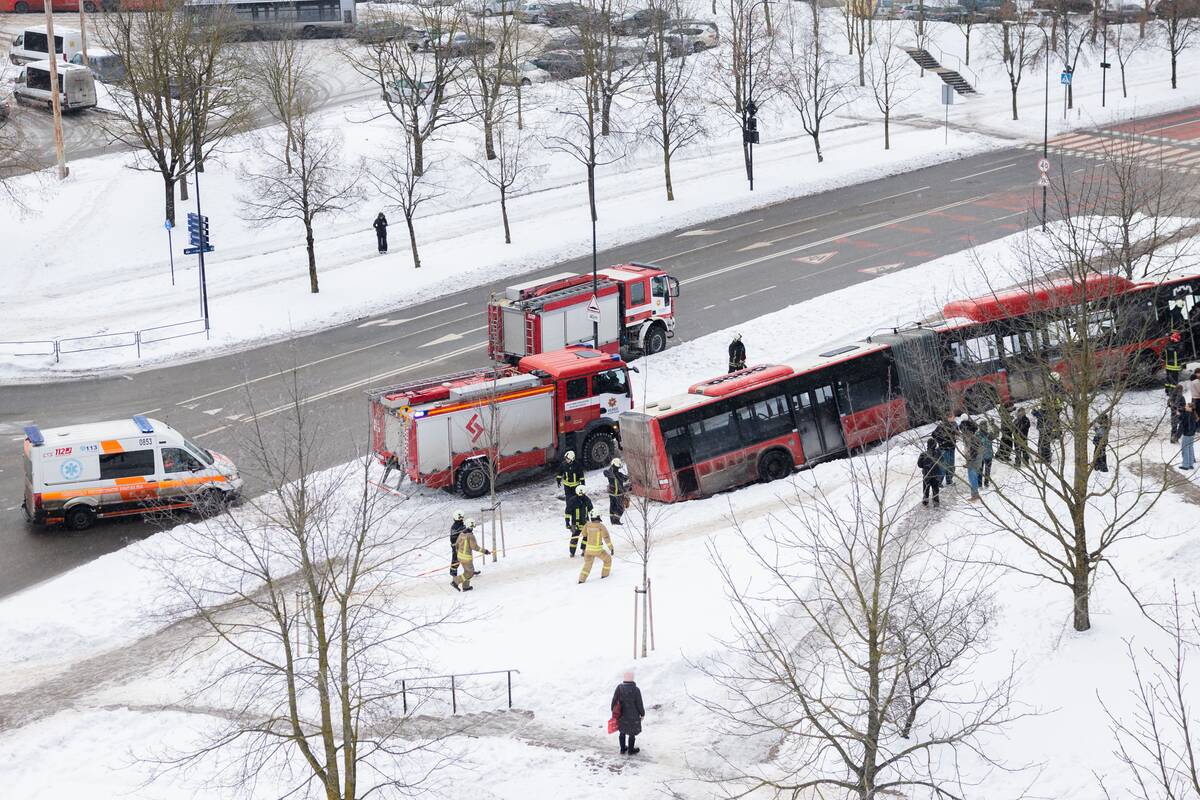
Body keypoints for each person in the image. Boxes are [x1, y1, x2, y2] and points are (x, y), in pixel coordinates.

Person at [611, 671, 645, 756]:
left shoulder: (619, 688)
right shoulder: (636, 690)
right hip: (633, 716)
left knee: (622, 731)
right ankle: (630, 750)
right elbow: (639, 704)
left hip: (621, 714)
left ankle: (622, 749)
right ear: (632, 678)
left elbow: (614, 700)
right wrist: (642, 713)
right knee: (632, 733)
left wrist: (613, 710)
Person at [452, 519, 490, 592]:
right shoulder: (470, 536)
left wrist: (458, 553)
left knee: (467, 571)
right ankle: (456, 581)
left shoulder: (461, 534)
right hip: (467, 558)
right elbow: (475, 547)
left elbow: (456, 544)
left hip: (460, 556)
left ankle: (466, 586)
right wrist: (485, 551)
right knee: (470, 573)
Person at [578, 510, 614, 584]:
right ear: (598, 517)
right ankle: (605, 576)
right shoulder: (601, 526)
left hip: (588, 550)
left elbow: (584, 534)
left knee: (587, 564)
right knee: (608, 560)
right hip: (598, 550)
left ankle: (581, 580)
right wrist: (611, 548)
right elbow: (606, 537)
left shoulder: (587, 525)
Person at [565, 485, 594, 557]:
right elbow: (568, 512)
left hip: (585, 524)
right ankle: (572, 552)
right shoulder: (572, 500)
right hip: (576, 524)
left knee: (586, 537)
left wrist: (594, 520)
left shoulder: (587, 499)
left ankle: (584, 550)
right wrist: (567, 523)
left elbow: (591, 511)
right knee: (574, 538)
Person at [931, 417, 957, 486]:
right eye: (952, 416)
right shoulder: (941, 426)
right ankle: (939, 481)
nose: (954, 417)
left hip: (952, 447)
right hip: (944, 449)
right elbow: (933, 434)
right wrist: (941, 441)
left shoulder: (954, 424)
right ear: (947, 418)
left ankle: (949, 480)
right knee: (944, 465)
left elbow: (957, 432)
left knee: (951, 465)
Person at [603, 458, 629, 525]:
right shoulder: (613, 473)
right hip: (617, 493)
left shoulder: (617, 474)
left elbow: (625, 478)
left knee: (613, 507)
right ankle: (615, 521)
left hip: (613, 493)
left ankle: (613, 521)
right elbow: (605, 472)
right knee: (620, 507)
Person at [962, 419, 983, 501]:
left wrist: (968, 464)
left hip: (974, 462)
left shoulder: (973, 440)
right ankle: (975, 494)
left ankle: (974, 496)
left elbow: (974, 454)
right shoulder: (973, 438)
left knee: (972, 478)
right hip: (975, 462)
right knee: (974, 477)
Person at [918, 438, 941, 507]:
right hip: (935, 475)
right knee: (935, 488)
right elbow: (941, 462)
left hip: (926, 475)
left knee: (926, 489)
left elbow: (919, 464)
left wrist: (925, 466)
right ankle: (936, 502)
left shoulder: (923, 454)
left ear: (927, 445)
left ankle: (925, 502)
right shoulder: (938, 454)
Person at [449, 510, 465, 586]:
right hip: (457, 547)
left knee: (466, 558)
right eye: (462, 517)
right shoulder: (457, 527)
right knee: (455, 561)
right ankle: (453, 575)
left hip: (460, 545)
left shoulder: (459, 525)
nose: (463, 518)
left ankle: (470, 570)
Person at [978, 418, 995, 487]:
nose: (984, 427)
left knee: (987, 470)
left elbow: (995, 435)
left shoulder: (989, 433)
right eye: (983, 426)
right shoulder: (978, 434)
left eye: (985, 426)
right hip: (981, 455)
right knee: (980, 470)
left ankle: (986, 483)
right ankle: (980, 484)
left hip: (988, 454)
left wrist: (992, 426)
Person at [1180, 403, 1197, 471]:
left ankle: (1186, 465)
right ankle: (1190, 464)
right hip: (1192, 434)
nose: (1185, 407)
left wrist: (1179, 415)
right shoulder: (1193, 413)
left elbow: (1183, 423)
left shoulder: (1188, 414)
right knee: (1190, 448)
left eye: (1186, 406)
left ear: (1190, 408)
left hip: (1187, 434)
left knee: (1185, 449)